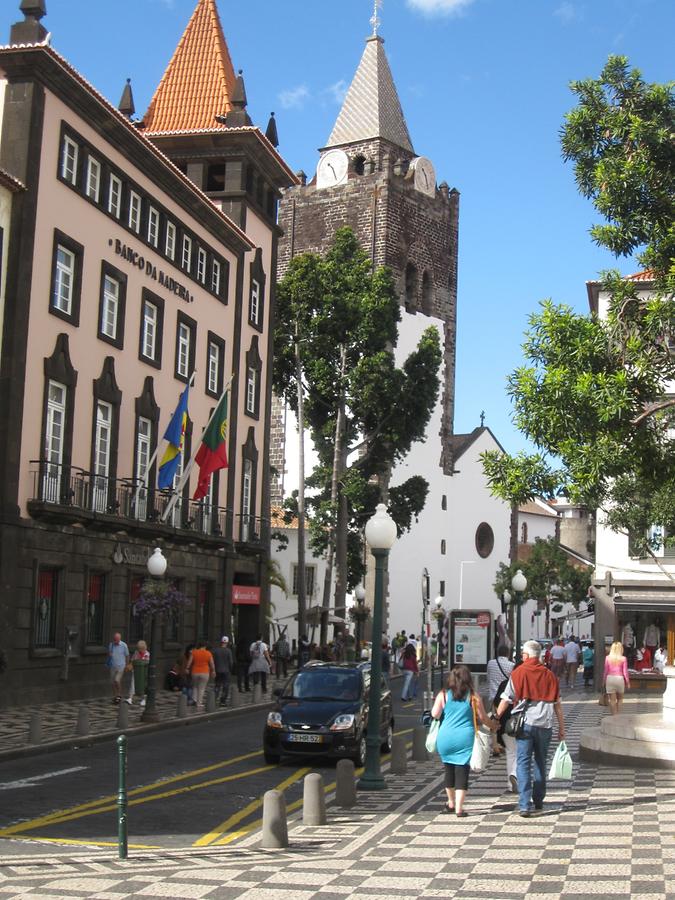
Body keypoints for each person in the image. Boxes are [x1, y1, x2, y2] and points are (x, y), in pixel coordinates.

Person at [496, 639, 565, 817]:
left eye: (522, 654)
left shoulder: (519, 673)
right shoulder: (550, 675)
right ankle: (539, 799)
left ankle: (525, 804)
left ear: (526, 656)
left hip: (524, 725)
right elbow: (557, 704)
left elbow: (506, 698)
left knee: (523, 763)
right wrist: (562, 728)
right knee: (541, 762)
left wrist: (496, 717)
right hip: (546, 725)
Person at [431, 665, 497, 817]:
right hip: (465, 738)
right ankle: (459, 809)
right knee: (462, 771)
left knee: (448, 770)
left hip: (445, 736)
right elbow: (483, 718)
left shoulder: (443, 694)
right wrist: (493, 725)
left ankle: (450, 802)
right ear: (468, 679)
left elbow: (435, 714)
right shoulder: (473, 696)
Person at [603, 641, 630, 715]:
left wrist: (603, 681)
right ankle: (617, 714)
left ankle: (614, 715)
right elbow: (625, 672)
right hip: (619, 679)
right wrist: (627, 682)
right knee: (620, 699)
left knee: (612, 700)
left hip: (610, 678)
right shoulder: (623, 658)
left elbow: (605, 670)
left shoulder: (607, 658)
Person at [187, 640, 215, 708]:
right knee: (201, 688)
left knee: (195, 687)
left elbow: (189, 662)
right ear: (205, 646)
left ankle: (194, 700)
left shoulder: (194, 652)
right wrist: (213, 671)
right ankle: (199, 703)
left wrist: (187, 668)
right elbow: (212, 663)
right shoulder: (208, 653)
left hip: (195, 672)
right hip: (205, 672)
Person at [107, 632, 129, 705]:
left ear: (119, 639)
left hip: (121, 666)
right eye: (114, 639)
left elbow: (127, 656)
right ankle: (115, 696)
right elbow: (109, 654)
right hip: (113, 666)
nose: (115, 641)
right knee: (113, 682)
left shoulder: (124, 645)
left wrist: (126, 665)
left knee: (117, 680)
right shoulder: (111, 645)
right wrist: (110, 655)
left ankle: (119, 694)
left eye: (116, 640)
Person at [126, 639, 150, 706]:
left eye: (141, 649)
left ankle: (143, 699)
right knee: (133, 684)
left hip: (143, 673)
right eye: (139, 648)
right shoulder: (136, 652)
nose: (140, 650)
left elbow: (147, 663)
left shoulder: (147, 654)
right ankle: (130, 698)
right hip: (136, 672)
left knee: (143, 686)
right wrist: (130, 664)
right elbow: (133, 660)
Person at [212, 636, 234, 706]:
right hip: (226, 671)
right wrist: (231, 669)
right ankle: (223, 701)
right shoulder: (228, 651)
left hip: (218, 670)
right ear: (227, 642)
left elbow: (213, 661)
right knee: (225, 686)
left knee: (217, 685)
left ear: (221, 642)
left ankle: (214, 699)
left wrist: (213, 669)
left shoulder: (215, 650)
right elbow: (231, 662)